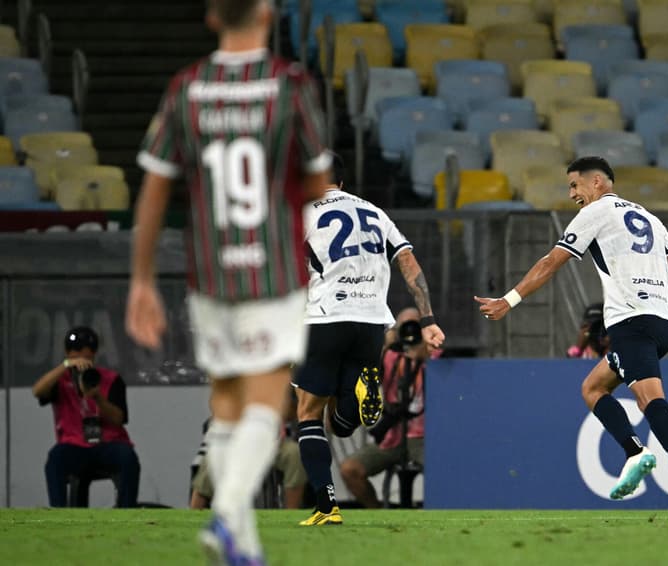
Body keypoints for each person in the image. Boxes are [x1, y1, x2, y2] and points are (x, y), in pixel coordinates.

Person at [125, 0, 331, 563]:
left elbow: (154, 190)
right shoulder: (289, 84)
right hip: (273, 269)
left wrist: (141, 279)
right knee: (268, 400)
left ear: (212, 17)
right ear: (267, 13)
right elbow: (318, 184)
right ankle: (227, 515)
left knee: (225, 404)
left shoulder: (186, 88)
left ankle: (241, 540)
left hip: (211, 272)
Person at [475, 156, 668, 519]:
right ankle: (635, 452)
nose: (572, 194)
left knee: (649, 398)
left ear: (597, 182)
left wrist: (509, 300)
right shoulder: (649, 217)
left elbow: (550, 262)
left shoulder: (595, 213)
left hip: (631, 322)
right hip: (662, 324)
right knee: (593, 388)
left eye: (574, 185)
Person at [293, 183, 445, 525]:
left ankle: (326, 506)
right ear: (342, 183)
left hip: (325, 316)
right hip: (373, 322)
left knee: (308, 413)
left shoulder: (303, 211)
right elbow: (407, 260)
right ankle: (360, 393)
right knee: (341, 425)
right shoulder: (375, 212)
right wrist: (428, 319)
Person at [32, 326, 140, 508]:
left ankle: (126, 511)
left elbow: (119, 419)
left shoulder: (110, 379)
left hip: (108, 444)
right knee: (56, 458)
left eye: (85, 357)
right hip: (74, 445)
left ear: (94, 355)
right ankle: (59, 513)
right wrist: (66, 366)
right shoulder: (60, 381)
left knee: (127, 457)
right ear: (67, 354)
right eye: (75, 357)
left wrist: (97, 397)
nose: (80, 362)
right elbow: (37, 391)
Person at [339, 308, 436, 508]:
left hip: (426, 437)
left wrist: (425, 349)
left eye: (415, 326)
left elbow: (446, 362)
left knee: (444, 471)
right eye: (405, 327)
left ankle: (439, 514)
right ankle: (379, 514)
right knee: (350, 470)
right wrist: (388, 340)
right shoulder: (390, 356)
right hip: (392, 437)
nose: (411, 331)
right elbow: (368, 368)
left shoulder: (434, 354)